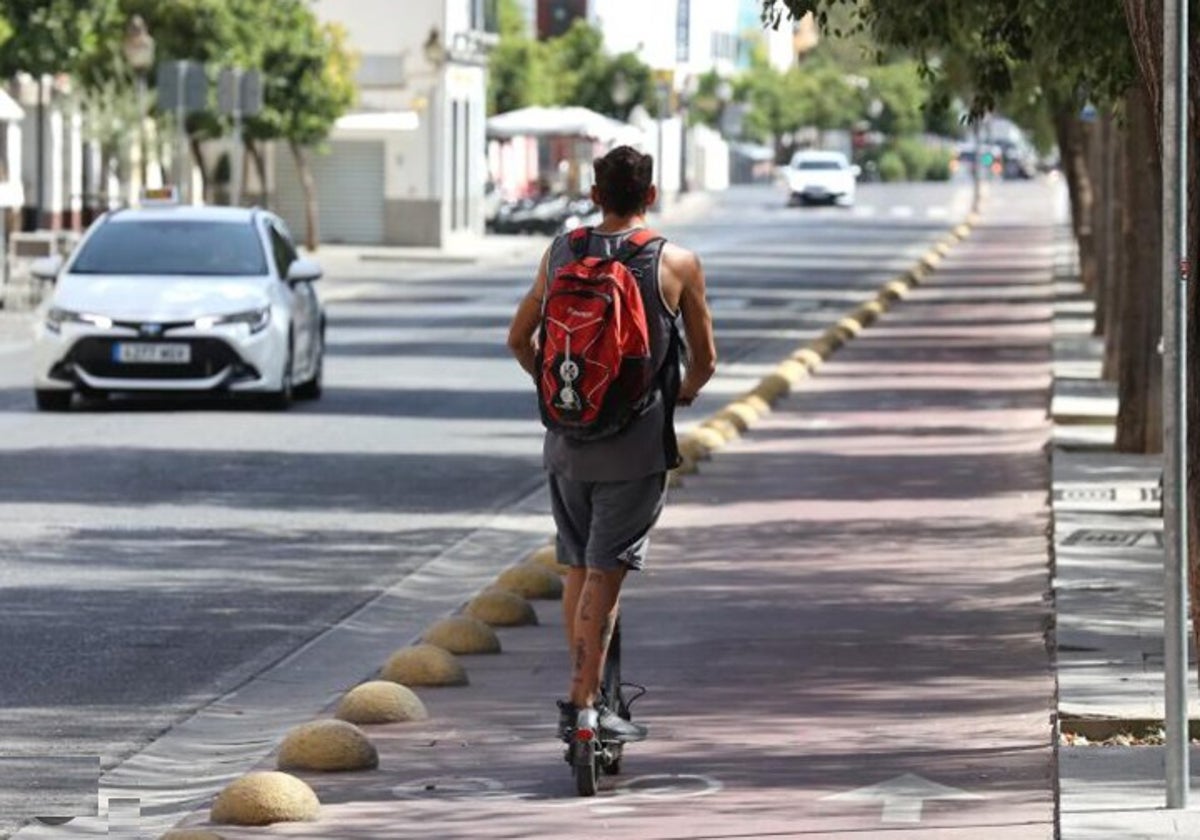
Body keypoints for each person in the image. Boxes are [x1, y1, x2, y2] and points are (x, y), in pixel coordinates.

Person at [506, 145, 717, 741]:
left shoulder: (562, 252)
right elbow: (705, 360)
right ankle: (584, 708)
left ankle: (586, 699)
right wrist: (683, 392)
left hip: (567, 442)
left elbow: (520, 340)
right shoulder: (676, 263)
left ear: (595, 195)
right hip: (636, 446)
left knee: (577, 564)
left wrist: (561, 394)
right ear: (651, 196)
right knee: (607, 573)